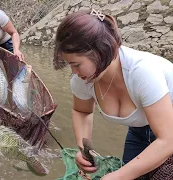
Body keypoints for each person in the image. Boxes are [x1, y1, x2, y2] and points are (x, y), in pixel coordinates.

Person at [54, 9, 173, 179]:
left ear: (100, 52)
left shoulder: (142, 72)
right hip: (140, 129)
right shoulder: (82, 79)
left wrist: (117, 176)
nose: (74, 72)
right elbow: (82, 111)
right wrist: (84, 149)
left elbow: (168, 140)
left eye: (76, 64)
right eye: (69, 64)